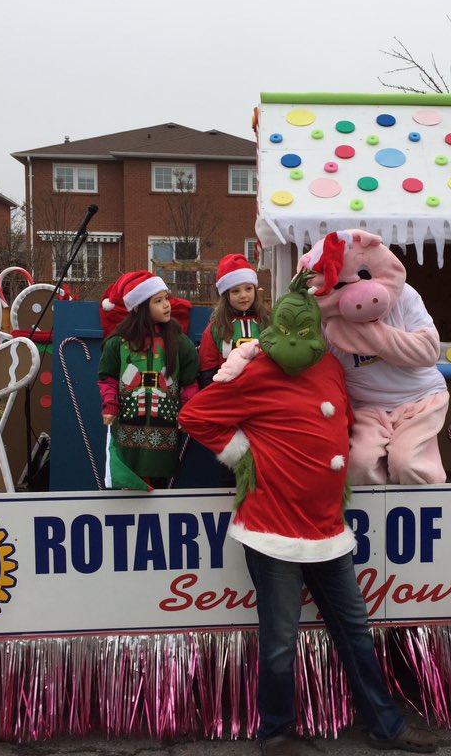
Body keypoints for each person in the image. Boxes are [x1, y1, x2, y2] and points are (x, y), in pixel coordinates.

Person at [179, 272, 437, 756]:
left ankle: (385, 727)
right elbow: (195, 416)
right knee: (280, 638)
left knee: (355, 630)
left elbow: (340, 419)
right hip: (273, 527)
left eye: (308, 331)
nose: (300, 340)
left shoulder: (329, 368)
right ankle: (276, 731)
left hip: (327, 527)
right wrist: (243, 456)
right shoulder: (253, 371)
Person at [97, 270, 198, 491]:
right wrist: (110, 405)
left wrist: (187, 412)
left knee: (161, 488)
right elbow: (108, 378)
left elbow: (190, 383)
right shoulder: (118, 343)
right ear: (141, 307)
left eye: (166, 299)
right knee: (129, 486)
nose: (167, 305)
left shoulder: (180, 343)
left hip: (166, 433)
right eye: (158, 301)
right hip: (128, 429)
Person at [198, 253, 270, 389]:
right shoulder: (215, 328)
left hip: (263, 392)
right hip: (227, 395)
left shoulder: (267, 323)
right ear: (226, 295)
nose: (243, 295)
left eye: (248, 289)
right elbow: (207, 370)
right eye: (236, 291)